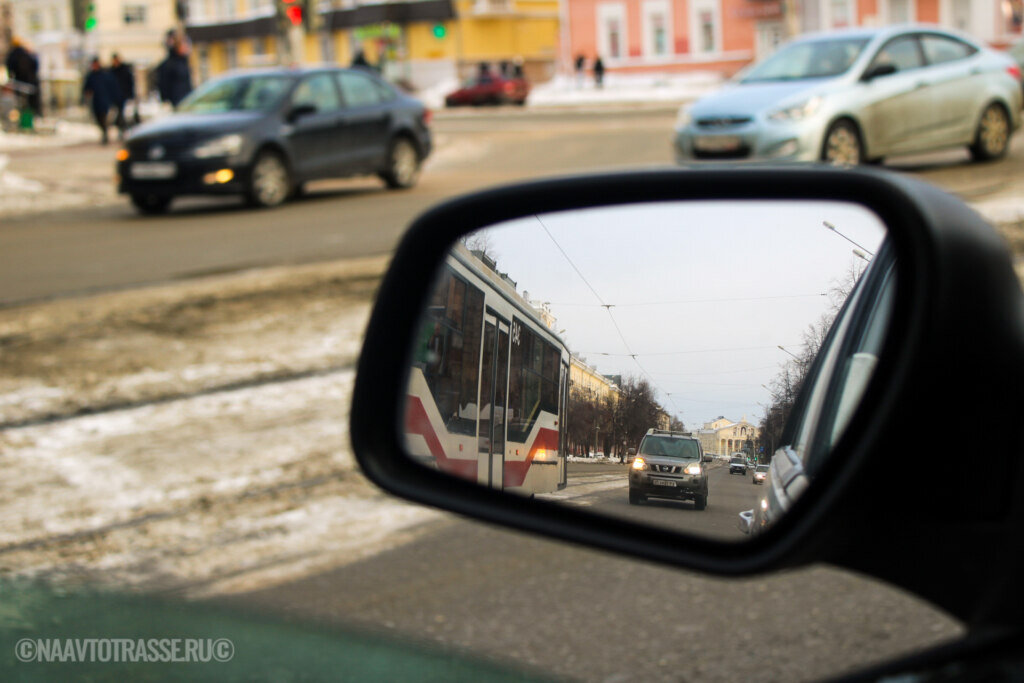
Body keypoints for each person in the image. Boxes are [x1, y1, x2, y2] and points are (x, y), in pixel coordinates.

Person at [81, 57, 120, 144]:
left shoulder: (105, 75)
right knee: (98, 118)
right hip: (96, 102)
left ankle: (105, 135)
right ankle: (104, 132)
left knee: (104, 118)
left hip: (105, 101)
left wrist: (114, 99)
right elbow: (87, 88)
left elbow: (112, 87)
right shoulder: (91, 76)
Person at [5, 37, 41, 117]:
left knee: (20, 101)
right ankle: (33, 115)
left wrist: (10, 79)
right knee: (31, 100)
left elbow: (9, 68)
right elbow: (35, 65)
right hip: (31, 80)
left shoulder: (12, 54)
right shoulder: (27, 53)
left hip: (19, 81)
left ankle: (23, 116)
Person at [156, 36, 193, 109]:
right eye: (184, 46)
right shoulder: (170, 64)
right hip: (176, 99)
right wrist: (166, 99)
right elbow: (164, 83)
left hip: (186, 98)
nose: (186, 48)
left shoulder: (184, 62)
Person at [110, 53, 137, 138]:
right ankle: (121, 129)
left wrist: (131, 95)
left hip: (124, 96)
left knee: (124, 114)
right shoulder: (112, 71)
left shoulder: (125, 70)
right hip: (116, 96)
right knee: (118, 114)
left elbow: (130, 83)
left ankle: (124, 129)